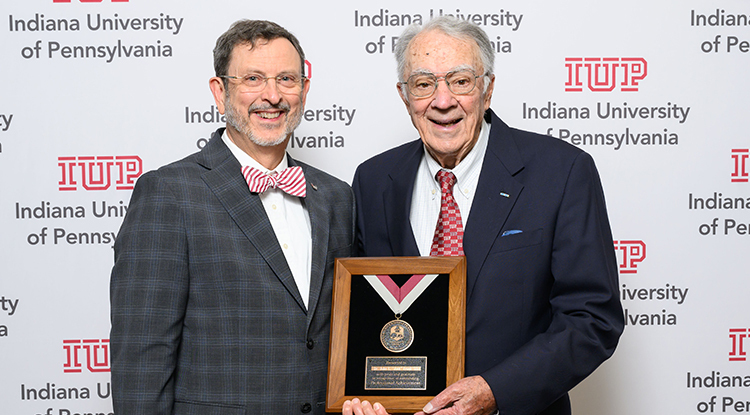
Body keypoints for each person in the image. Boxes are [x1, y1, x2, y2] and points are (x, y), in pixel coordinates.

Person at [345, 16, 624, 415]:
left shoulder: (561, 172)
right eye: (424, 84)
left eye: (460, 81)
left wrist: (496, 390)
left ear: (488, 88)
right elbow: (367, 315)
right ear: (404, 96)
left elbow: (593, 318)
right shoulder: (373, 179)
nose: (443, 102)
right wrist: (363, 394)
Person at [109, 19, 355, 414]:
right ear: (220, 92)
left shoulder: (337, 197)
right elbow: (142, 357)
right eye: (253, 79)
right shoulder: (170, 193)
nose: (272, 96)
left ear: (305, 90)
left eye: (287, 79)